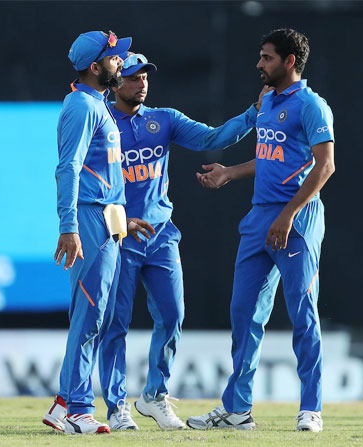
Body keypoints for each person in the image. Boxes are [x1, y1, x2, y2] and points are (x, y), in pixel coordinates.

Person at [96, 51, 270, 430]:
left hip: (160, 236)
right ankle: (116, 406)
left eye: (145, 77)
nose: (141, 83)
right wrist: (118, 220)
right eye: (132, 77)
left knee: (173, 316)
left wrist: (253, 115)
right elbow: (86, 182)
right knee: (115, 324)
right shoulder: (100, 120)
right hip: (118, 235)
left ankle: (154, 396)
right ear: (115, 81)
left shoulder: (164, 119)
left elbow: (213, 137)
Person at [187, 28, 335, 432]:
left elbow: (325, 166)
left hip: (296, 221)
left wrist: (287, 215)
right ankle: (237, 410)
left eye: (266, 57)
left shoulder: (312, 106)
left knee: (303, 313)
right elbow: (270, 157)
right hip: (258, 220)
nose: (259, 64)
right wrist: (229, 173)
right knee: (243, 314)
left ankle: (311, 408)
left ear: (289, 62)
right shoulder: (267, 101)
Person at [42, 31, 154, 435]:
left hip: (106, 219)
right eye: (115, 58)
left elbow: (100, 175)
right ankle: (77, 409)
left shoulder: (95, 103)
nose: (121, 63)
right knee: (90, 315)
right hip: (88, 220)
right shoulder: (81, 105)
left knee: (94, 316)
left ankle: (62, 404)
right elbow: (68, 168)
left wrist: (124, 217)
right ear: (95, 66)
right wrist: (69, 225)